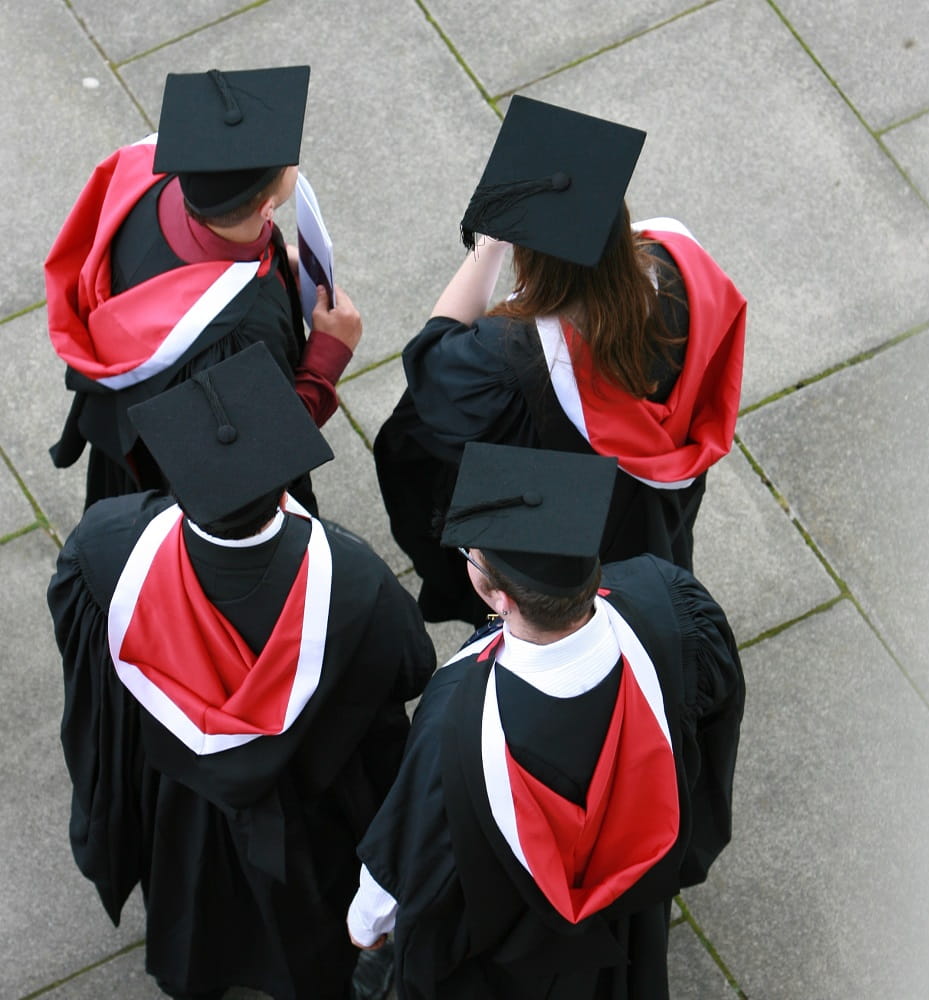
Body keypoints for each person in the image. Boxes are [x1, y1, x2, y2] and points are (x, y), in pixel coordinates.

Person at [47, 343, 436, 1000]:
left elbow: (86, 664)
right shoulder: (353, 580)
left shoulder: (107, 547)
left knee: (194, 898)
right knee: (306, 920)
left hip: (172, 790)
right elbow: (411, 669)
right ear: (282, 479)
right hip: (307, 801)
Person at [348, 442, 745, 999]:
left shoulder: (458, 715)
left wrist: (366, 928)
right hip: (631, 910)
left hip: (513, 939)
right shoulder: (671, 607)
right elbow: (714, 734)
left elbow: (416, 851)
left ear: (492, 592)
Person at [374, 96, 747, 624]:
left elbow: (431, 363)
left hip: (559, 518)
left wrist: (490, 242)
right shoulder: (680, 271)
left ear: (532, 256)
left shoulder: (510, 355)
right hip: (649, 511)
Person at [45, 65, 360, 513]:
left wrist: (270, 255)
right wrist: (329, 354)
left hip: (129, 415)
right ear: (267, 205)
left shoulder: (152, 188)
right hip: (179, 479)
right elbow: (251, 452)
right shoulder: (236, 334)